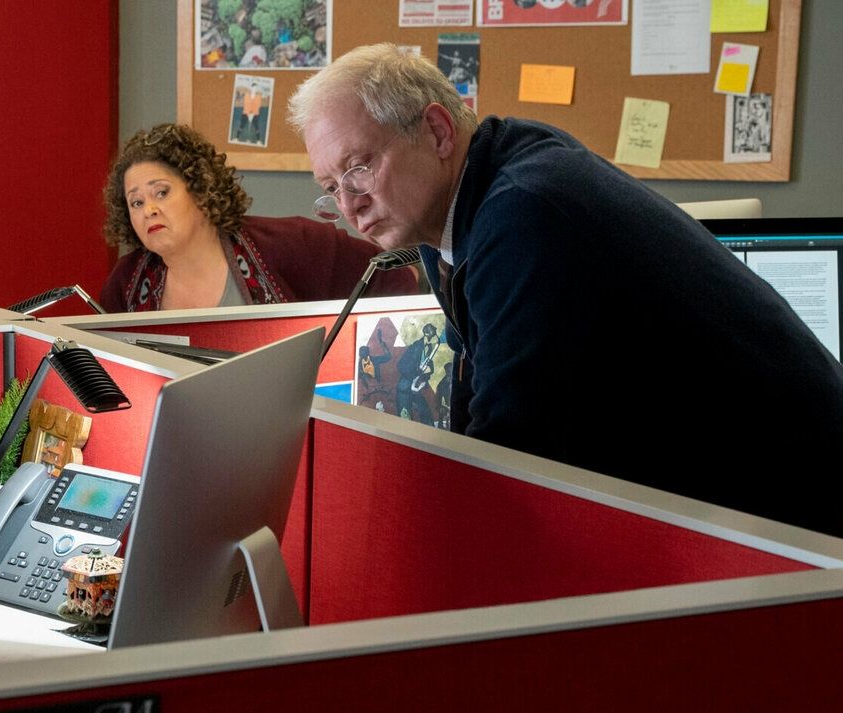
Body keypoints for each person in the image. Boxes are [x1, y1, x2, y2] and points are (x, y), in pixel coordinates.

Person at [289, 44, 843, 537]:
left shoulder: (524, 211)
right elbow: (481, 403)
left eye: (359, 168)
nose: (349, 204)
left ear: (437, 131)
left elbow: (510, 454)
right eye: (331, 187)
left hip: (792, 517)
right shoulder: (454, 211)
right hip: (727, 500)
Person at [101, 123, 419, 312]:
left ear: (199, 190)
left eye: (161, 193)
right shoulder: (125, 283)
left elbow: (395, 274)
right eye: (136, 202)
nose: (149, 210)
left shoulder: (290, 244)